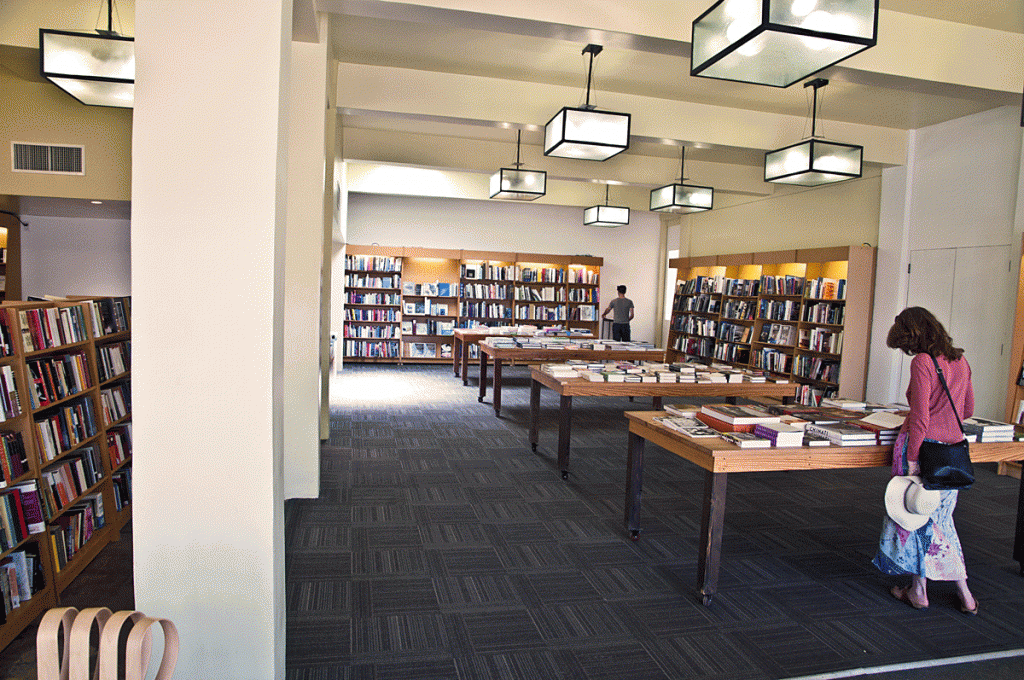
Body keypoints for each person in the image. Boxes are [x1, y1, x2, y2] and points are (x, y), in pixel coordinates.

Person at [872, 307, 978, 615]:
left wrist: (914, 460)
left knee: (916, 517)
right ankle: (965, 593)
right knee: (941, 520)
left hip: (923, 449)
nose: (908, 351)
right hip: (952, 451)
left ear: (913, 336)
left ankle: (919, 590)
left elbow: (920, 417)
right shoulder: (961, 360)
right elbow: (968, 409)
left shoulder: (923, 362)